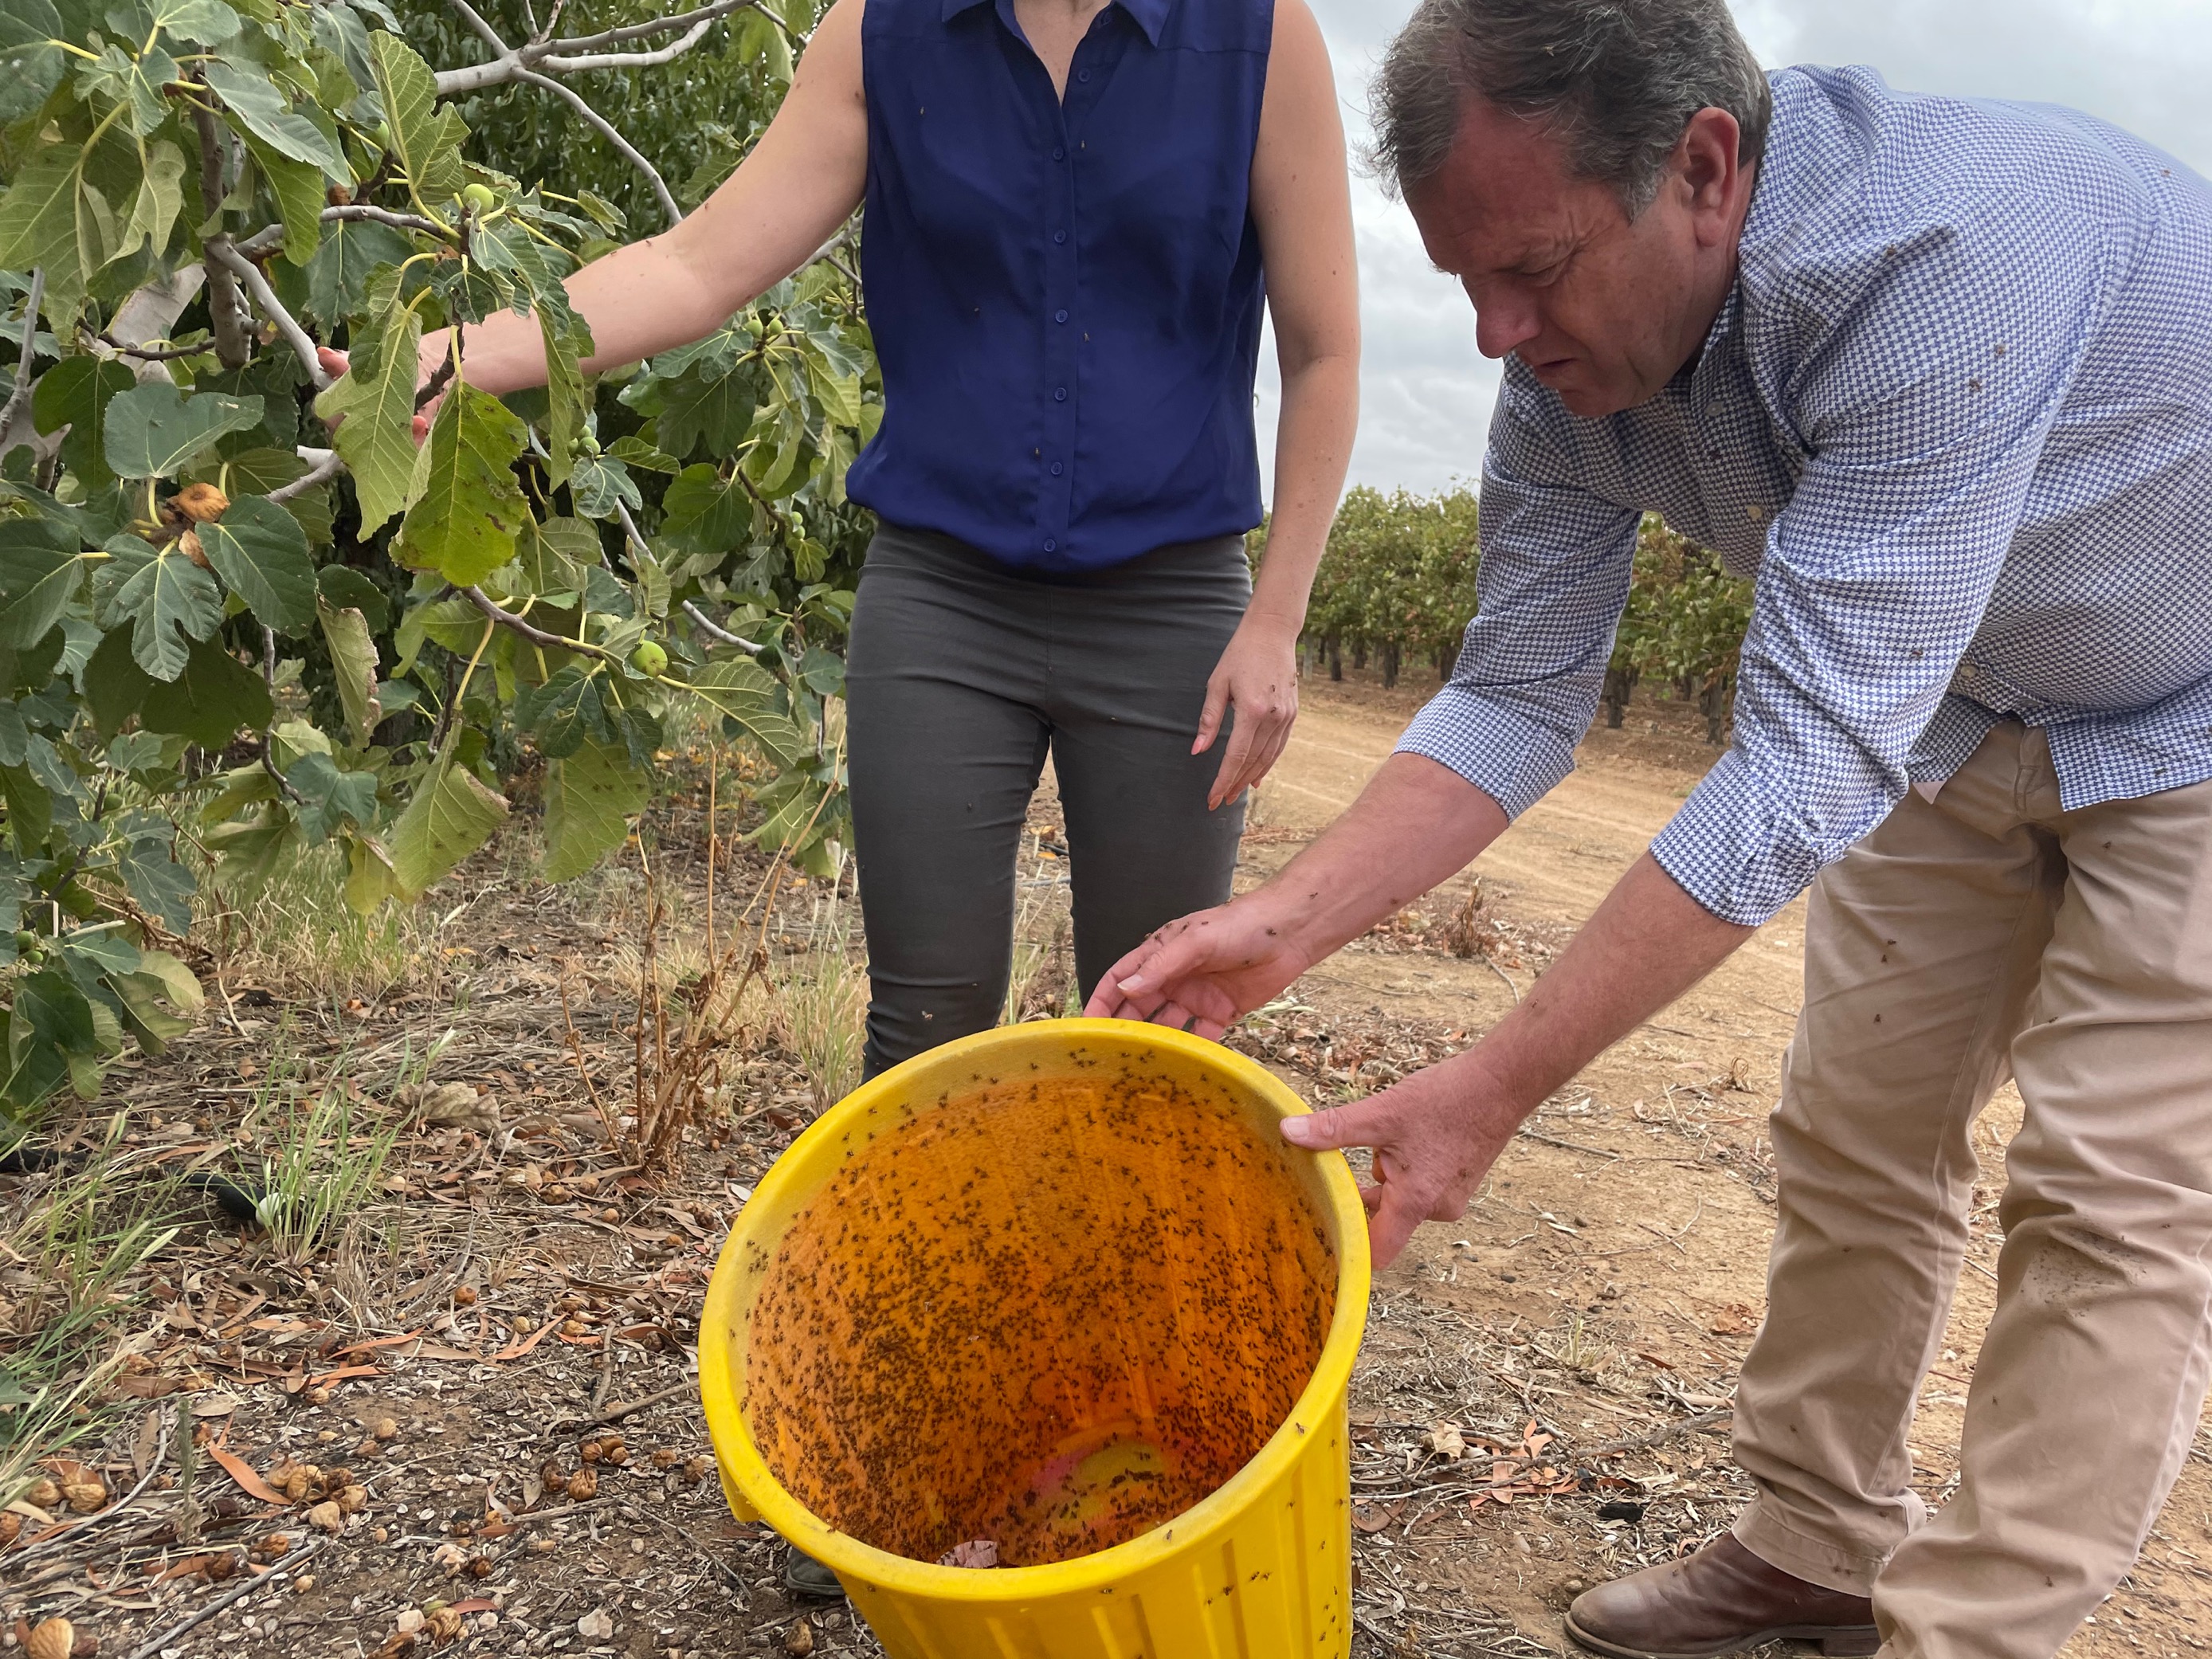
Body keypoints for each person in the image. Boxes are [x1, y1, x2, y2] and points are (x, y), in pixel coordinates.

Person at [1087, 2, 2212, 1655]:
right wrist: (1291, 917)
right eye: (1463, 281)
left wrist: (1489, 1085)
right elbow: (1516, 694)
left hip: (2184, 709)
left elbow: (1797, 760)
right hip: (1963, 701)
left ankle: (1965, 1638)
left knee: (2107, 1195)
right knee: (1853, 1133)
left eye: (1528, 269)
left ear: (1702, 169)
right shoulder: (1563, 380)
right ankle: (1815, 1550)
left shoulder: (1945, 257)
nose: (1490, 333)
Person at [327, 0, 1357, 1599]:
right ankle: (900, 1447)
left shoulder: (1256, 36)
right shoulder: (879, 36)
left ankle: (1145, 1436)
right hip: (941, 596)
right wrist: (479, 354)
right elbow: (697, 260)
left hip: (1174, 604)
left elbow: (1326, 342)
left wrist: (1278, 617)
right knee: (923, 1025)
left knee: (1150, 1029)